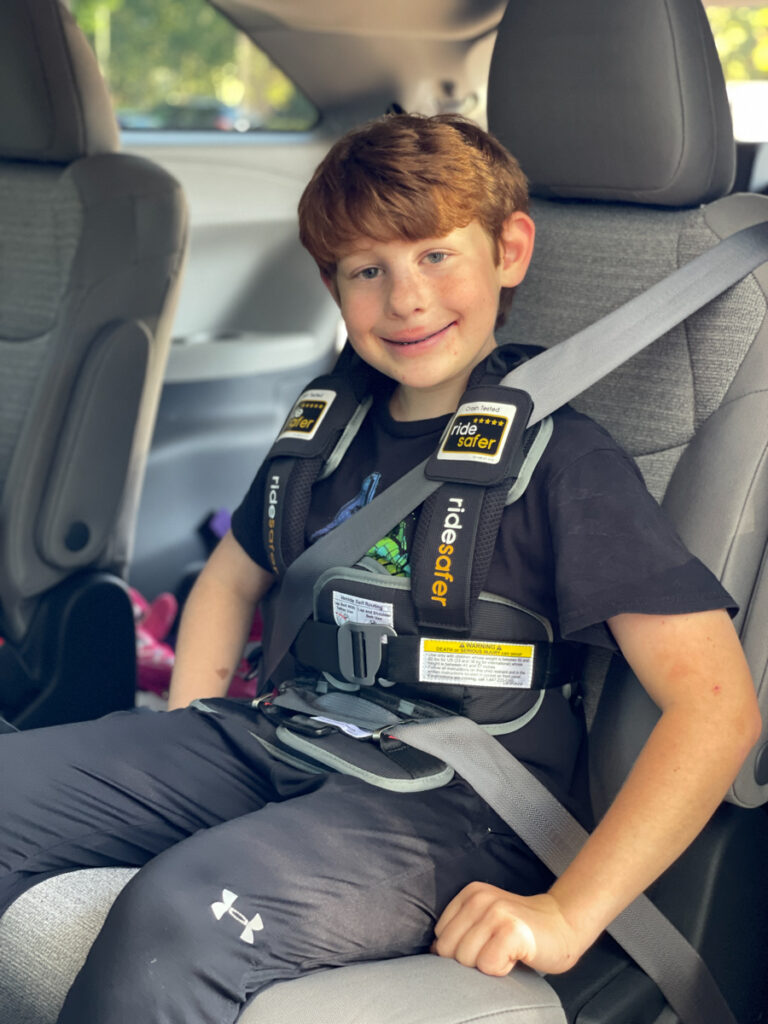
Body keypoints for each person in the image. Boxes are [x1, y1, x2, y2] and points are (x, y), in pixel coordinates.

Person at [0, 113, 760, 1022]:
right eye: (368, 270)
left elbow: (717, 708)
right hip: (285, 733)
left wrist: (568, 912)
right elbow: (233, 578)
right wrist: (190, 734)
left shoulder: (564, 464)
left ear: (510, 250)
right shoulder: (329, 429)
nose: (405, 299)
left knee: (177, 918)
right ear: (334, 285)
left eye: (436, 256)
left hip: (462, 805)